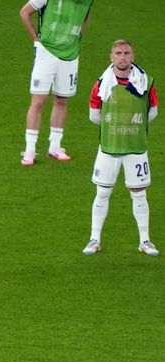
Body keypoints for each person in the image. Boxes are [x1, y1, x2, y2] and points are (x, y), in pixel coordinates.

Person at [83, 40, 159, 256]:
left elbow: (152, 111)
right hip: (109, 148)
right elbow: (94, 115)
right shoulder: (101, 84)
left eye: (126, 53)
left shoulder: (147, 82)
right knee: (102, 192)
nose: (123, 57)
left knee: (139, 193)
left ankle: (145, 241)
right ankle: (94, 239)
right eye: (118, 53)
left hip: (136, 149)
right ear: (111, 57)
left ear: (132, 56)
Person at [19, 0, 95, 166]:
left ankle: (55, 146)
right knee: (38, 101)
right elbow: (24, 12)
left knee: (61, 100)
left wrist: (77, 36)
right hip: (46, 51)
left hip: (70, 54)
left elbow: (86, 15)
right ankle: (30, 149)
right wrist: (35, 39)